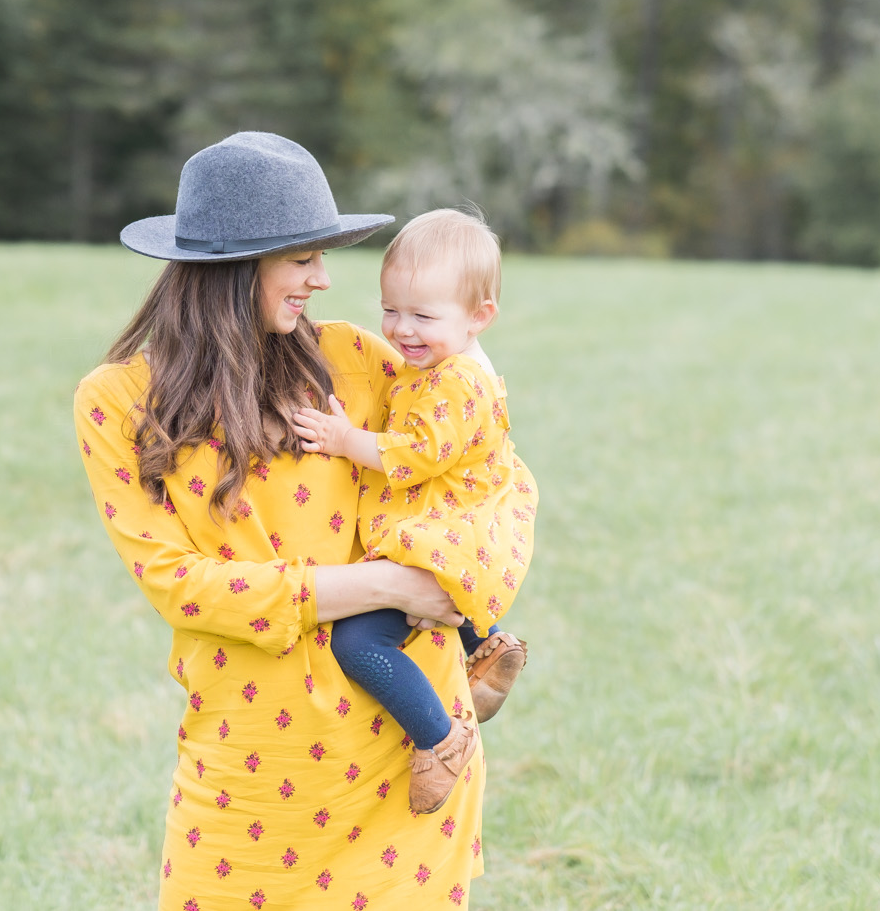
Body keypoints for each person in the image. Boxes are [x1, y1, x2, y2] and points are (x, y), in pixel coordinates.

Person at [74, 132, 532, 908]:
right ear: (236, 263)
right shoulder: (117, 401)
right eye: (303, 257)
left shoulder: (360, 360)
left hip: (402, 754)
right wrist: (383, 583)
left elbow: (494, 468)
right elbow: (182, 587)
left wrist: (462, 578)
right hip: (250, 766)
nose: (324, 279)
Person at [291, 207, 537, 815]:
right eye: (391, 310)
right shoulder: (446, 365)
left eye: (423, 316)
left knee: (358, 644)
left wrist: (345, 439)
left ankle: (439, 740)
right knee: (441, 602)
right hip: (457, 528)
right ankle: (487, 643)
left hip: (440, 536)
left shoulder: (457, 382)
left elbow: (420, 453)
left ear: (480, 318)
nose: (401, 329)